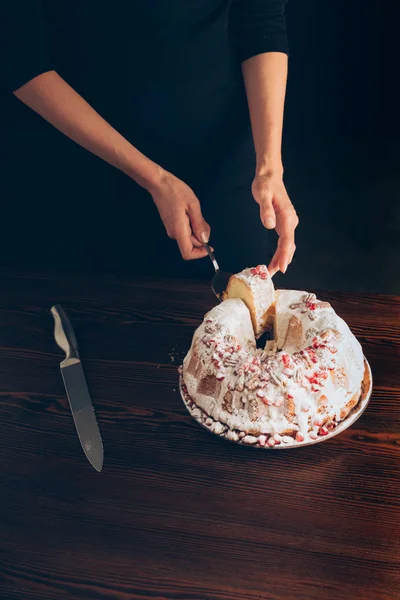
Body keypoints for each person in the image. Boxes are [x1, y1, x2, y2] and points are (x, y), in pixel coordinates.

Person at [0, 1, 298, 278]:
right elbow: (20, 56)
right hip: (86, 160)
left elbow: (261, 22)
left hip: (221, 156)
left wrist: (269, 166)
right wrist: (154, 178)